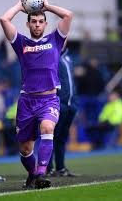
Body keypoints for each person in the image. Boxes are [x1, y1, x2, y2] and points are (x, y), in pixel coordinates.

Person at [0, 0, 73, 189]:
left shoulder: (56, 40)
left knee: (48, 128)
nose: (38, 25)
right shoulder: (21, 43)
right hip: (27, 102)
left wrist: (47, 6)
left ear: (45, 23)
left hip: (49, 99)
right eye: (34, 22)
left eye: (41, 22)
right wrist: (18, 5)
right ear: (28, 24)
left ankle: (41, 174)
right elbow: (4, 20)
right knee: (25, 149)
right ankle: (32, 174)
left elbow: (68, 16)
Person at [47, 49, 79, 177]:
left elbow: (71, 83)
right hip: (59, 104)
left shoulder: (69, 58)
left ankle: (61, 168)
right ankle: (48, 168)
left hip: (71, 105)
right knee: (51, 137)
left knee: (62, 138)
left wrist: (75, 101)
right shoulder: (52, 58)